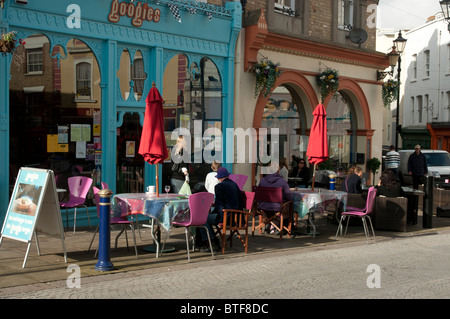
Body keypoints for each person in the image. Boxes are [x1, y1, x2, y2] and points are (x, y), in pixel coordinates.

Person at [200, 167, 241, 252]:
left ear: (219, 178)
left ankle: (213, 242)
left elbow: (220, 205)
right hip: (237, 217)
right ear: (227, 176)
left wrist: (214, 206)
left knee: (202, 219)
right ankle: (209, 241)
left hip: (226, 216)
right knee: (205, 218)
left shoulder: (219, 186)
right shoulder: (235, 185)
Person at [258, 161, 293, 233]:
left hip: (263, 207)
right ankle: (284, 228)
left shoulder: (262, 180)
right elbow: (289, 196)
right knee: (290, 204)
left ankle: (270, 224)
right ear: (278, 170)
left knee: (272, 208)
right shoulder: (282, 182)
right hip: (278, 207)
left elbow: (258, 193)